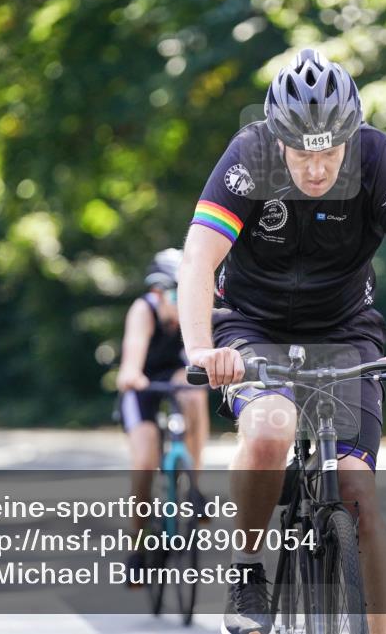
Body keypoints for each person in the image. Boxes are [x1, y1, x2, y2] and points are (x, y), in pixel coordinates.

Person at [178, 49, 386, 634]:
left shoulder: (377, 157)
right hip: (252, 325)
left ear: (350, 137)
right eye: (304, 153)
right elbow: (199, 258)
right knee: (271, 427)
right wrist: (202, 351)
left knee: (357, 491)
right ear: (279, 141)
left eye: (330, 152)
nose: (319, 167)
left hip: (345, 328)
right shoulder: (248, 156)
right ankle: (249, 568)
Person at [116, 248, 210, 585]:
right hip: (141, 386)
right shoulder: (144, 311)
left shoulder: (190, 314)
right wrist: (131, 374)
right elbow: (132, 357)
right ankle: (138, 546)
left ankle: (194, 489)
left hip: (172, 378)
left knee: (194, 393)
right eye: (172, 293)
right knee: (144, 460)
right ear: (158, 293)